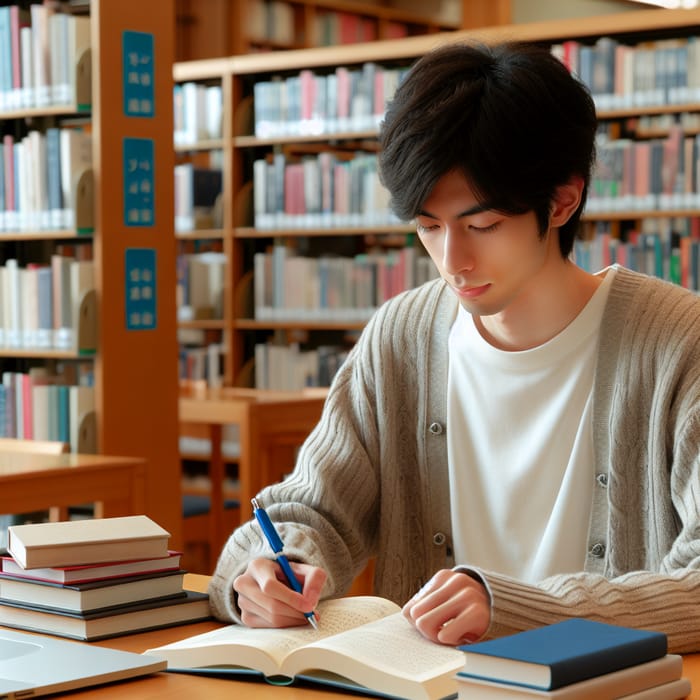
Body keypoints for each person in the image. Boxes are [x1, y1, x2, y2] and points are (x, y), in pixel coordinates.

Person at [208, 40, 700, 654]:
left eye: (482, 225)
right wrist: (272, 570)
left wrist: (514, 609)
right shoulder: (401, 338)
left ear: (562, 200)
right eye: (428, 226)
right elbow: (312, 511)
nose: (452, 260)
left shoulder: (678, 343)